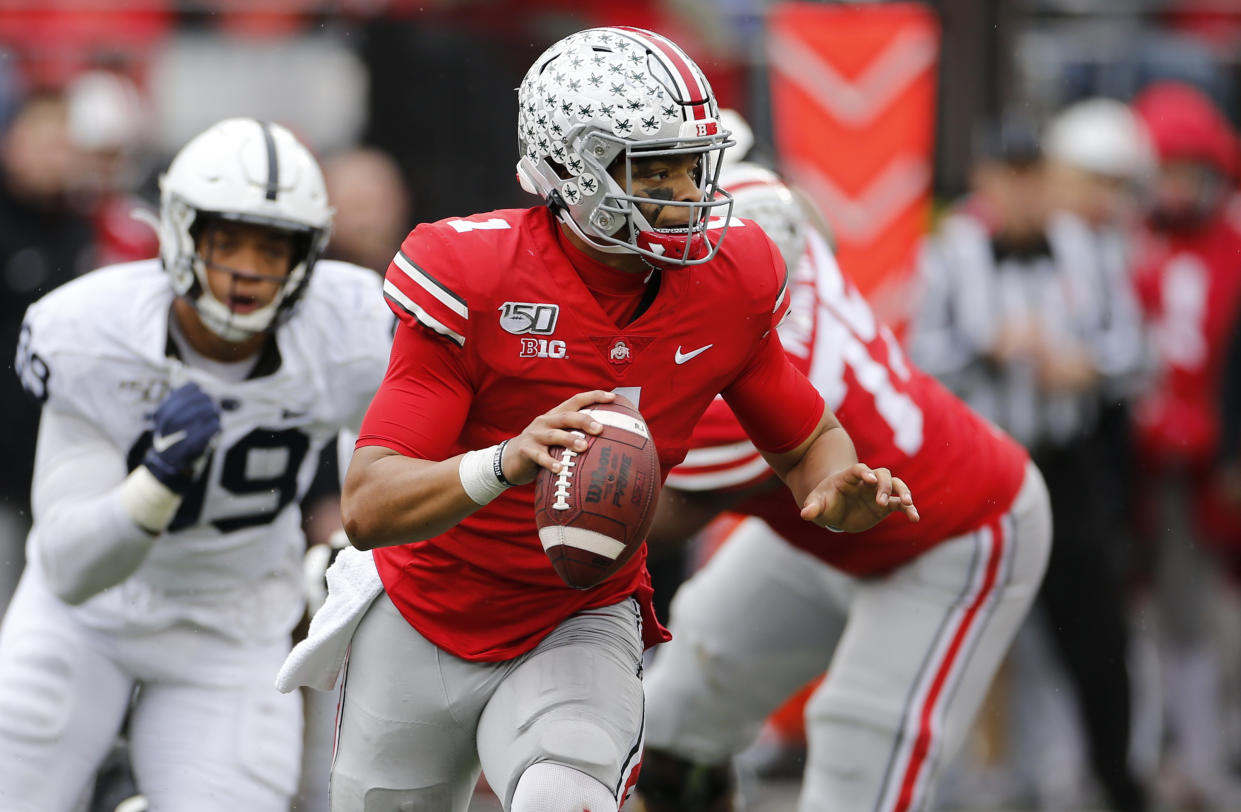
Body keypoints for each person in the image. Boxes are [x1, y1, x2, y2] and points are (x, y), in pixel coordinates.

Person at [277, 26, 917, 812]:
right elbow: (372, 506)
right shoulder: (473, 275)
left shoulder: (730, 278)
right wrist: (506, 459)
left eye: (693, 166)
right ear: (569, 167)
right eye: (656, 170)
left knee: (564, 799)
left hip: (579, 615)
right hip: (422, 617)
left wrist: (834, 488)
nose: (686, 194)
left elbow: (807, 438)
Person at [0, 117, 394, 811]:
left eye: (271, 249)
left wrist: (358, 550)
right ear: (183, 233)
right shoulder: (93, 331)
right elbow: (69, 564)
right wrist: (154, 486)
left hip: (231, 630)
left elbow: (393, 453)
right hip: (84, 619)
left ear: (305, 254)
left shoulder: (352, 326)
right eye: (228, 240)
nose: (247, 268)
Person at [633, 159, 1051, 812]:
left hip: (947, 534)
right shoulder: (759, 221)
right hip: (825, 523)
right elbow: (799, 210)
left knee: (859, 767)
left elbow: (629, 518)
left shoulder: (769, 392)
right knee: (668, 730)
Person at [908, 114, 1150, 811]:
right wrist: (986, 349)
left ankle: (1111, 781)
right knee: (965, 627)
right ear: (984, 180)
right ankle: (955, 788)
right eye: (1006, 177)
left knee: (1095, 635)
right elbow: (916, 363)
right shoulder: (948, 251)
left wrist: (1087, 367)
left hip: (1065, 462)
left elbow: (1135, 354)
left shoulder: (1089, 250)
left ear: (1046, 180)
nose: (1019, 192)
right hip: (981, 466)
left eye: (1031, 176)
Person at [1128, 80, 1241, 809]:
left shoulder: (1230, 248)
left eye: (1185, 174)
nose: (1173, 190)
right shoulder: (1127, 245)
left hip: (1216, 465)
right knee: (1155, 615)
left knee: (1207, 617)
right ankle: (1164, 759)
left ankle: (1206, 757)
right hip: (1149, 466)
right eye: (1162, 174)